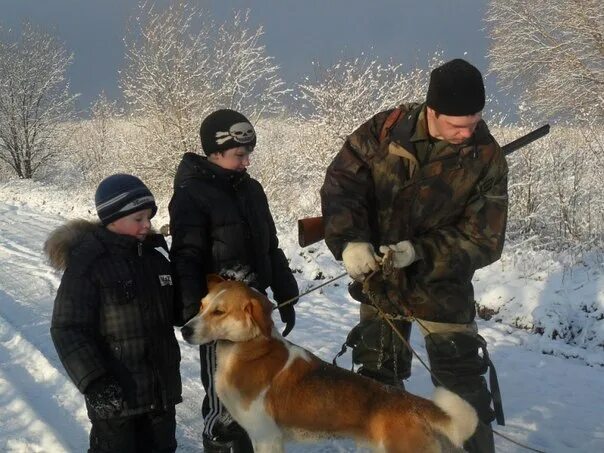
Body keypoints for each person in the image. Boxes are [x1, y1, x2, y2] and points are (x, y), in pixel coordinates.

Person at [320, 58, 508, 453]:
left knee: (464, 393)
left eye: (474, 121)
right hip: (380, 284)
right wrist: (350, 241)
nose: (467, 132)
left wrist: (419, 252)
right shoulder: (386, 129)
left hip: (442, 286)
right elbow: (342, 186)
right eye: (457, 124)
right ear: (432, 111)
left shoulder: (486, 156)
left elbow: (485, 239)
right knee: (376, 382)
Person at [169, 109, 299, 453]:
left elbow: (270, 245)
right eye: (239, 155)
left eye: (248, 154)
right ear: (215, 152)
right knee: (225, 402)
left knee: (257, 392)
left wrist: (286, 292)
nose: (246, 162)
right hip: (219, 318)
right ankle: (222, 444)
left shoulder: (252, 189)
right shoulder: (191, 193)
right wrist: (191, 312)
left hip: (253, 311)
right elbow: (186, 256)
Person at [46, 174, 182, 452]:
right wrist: (94, 382)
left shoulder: (156, 259)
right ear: (112, 219)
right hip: (116, 399)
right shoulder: (89, 264)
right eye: (138, 219)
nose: (147, 225)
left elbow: (177, 311)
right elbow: (67, 327)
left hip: (161, 394)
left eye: (149, 218)